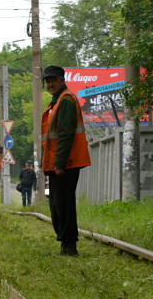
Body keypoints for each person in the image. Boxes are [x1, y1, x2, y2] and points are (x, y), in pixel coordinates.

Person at [41, 65, 90, 256]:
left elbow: (66, 134)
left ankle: (69, 246)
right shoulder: (56, 101)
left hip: (66, 163)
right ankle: (66, 243)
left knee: (64, 204)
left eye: (53, 80)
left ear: (62, 79)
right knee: (57, 204)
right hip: (58, 163)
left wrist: (60, 163)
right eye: (47, 81)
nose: (50, 84)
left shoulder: (66, 100)